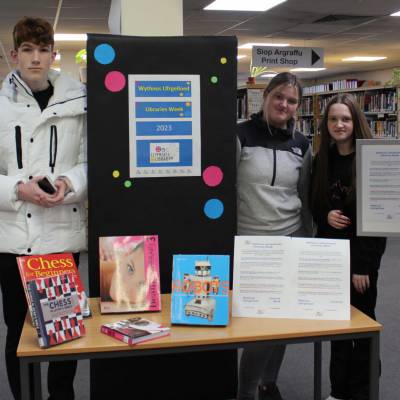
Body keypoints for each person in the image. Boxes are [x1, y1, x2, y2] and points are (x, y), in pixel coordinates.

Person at [0, 17, 87, 400]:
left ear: (54, 54)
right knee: (19, 332)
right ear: (14, 54)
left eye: (43, 50)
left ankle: (61, 395)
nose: (35, 59)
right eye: (27, 50)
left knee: (64, 329)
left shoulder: (80, 102)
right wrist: (19, 189)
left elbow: (91, 161)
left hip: (61, 235)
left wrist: (70, 183)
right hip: (14, 239)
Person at [236, 72, 312, 400]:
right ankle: (247, 390)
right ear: (265, 96)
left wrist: (309, 242)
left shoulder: (302, 144)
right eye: (279, 96)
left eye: (292, 100)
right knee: (261, 326)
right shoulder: (239, 135)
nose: (284, 104)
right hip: (250, 242)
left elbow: (306, 194)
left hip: (291, 239)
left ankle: (269, 381)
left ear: (298, 106)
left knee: (283, 321)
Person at [310, 93, 386, 400]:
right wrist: (325, 213)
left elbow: (379, 220)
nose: (339, 124)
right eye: (332, 119)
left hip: (360, 262)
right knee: (336, 329)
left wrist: (362, 266)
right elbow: (313, 204)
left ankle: (364, 391)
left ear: (356, 122)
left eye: (345, 118)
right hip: (329, 259)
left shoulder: (371, 161)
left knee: (362, 330)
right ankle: (338, 391)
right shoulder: (322, 160)